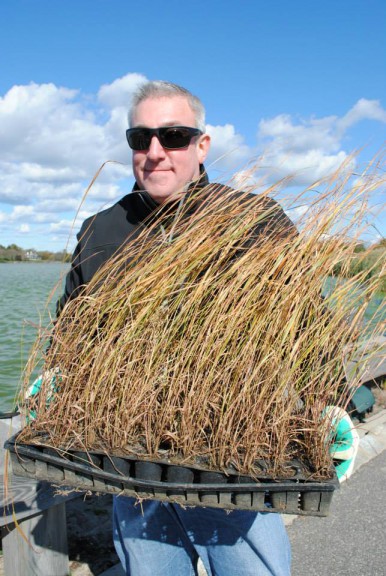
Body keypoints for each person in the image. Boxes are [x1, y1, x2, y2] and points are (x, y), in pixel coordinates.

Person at [57, 81, 356, 576]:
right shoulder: (101, 230)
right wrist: (58, 381)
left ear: (201, 145)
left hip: (234, 467)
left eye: (173, 135)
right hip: (128, 470)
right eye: (140, 138)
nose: (155, 152)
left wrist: (331, 405)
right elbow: (71, 331)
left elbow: (307, 325)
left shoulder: (253, 220)